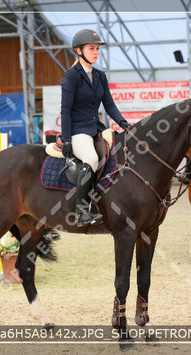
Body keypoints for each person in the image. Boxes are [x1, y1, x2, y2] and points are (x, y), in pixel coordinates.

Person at [60, 29, 130, 227]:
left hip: (96, 129)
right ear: (79, 50)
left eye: (97, 49)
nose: (96, 52)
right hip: (77, 131)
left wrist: (122, 122)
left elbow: (109, 104)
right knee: (91, 158)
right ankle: (81, 210)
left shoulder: (100, 76)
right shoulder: (71, 77)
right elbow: (65, 110)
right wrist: (67, 139)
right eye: (91, 48)